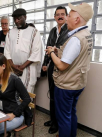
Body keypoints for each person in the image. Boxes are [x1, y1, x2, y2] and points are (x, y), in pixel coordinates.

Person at [45, 3, 93, 137]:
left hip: (67, 85)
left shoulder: (75, 39)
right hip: (78, 82)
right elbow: (75, 55)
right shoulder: (86, 34)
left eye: (69, 16)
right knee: (71, 113)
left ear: (77, 19)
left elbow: (61, 65)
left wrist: (51, 53)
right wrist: (57, 50)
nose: (66, 18)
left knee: (63, 118)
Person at [42, 6, 69, 134]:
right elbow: (48, 47)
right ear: (54, 17)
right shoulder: (53, 31)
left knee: (59, 97)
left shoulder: (70, 30)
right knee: (52, 96)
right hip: (52, 67)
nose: (60, 16)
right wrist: (45, 63)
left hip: (62, 68)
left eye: (62, 14)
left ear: (66, 16)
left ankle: (57, 123)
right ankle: (53, 120)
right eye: (57, 14)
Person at [4, 8, 43, 93]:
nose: (16, 21)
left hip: (28, 69)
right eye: (15, 19)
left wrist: (22, 67)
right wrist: (13, 66)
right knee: (13, 94)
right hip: (13, 69)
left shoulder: (34, 32)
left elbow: (36, 52)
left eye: (19, 18)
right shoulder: (10, 33)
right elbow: (7, 51)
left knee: (26, 96)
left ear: (25, 17)